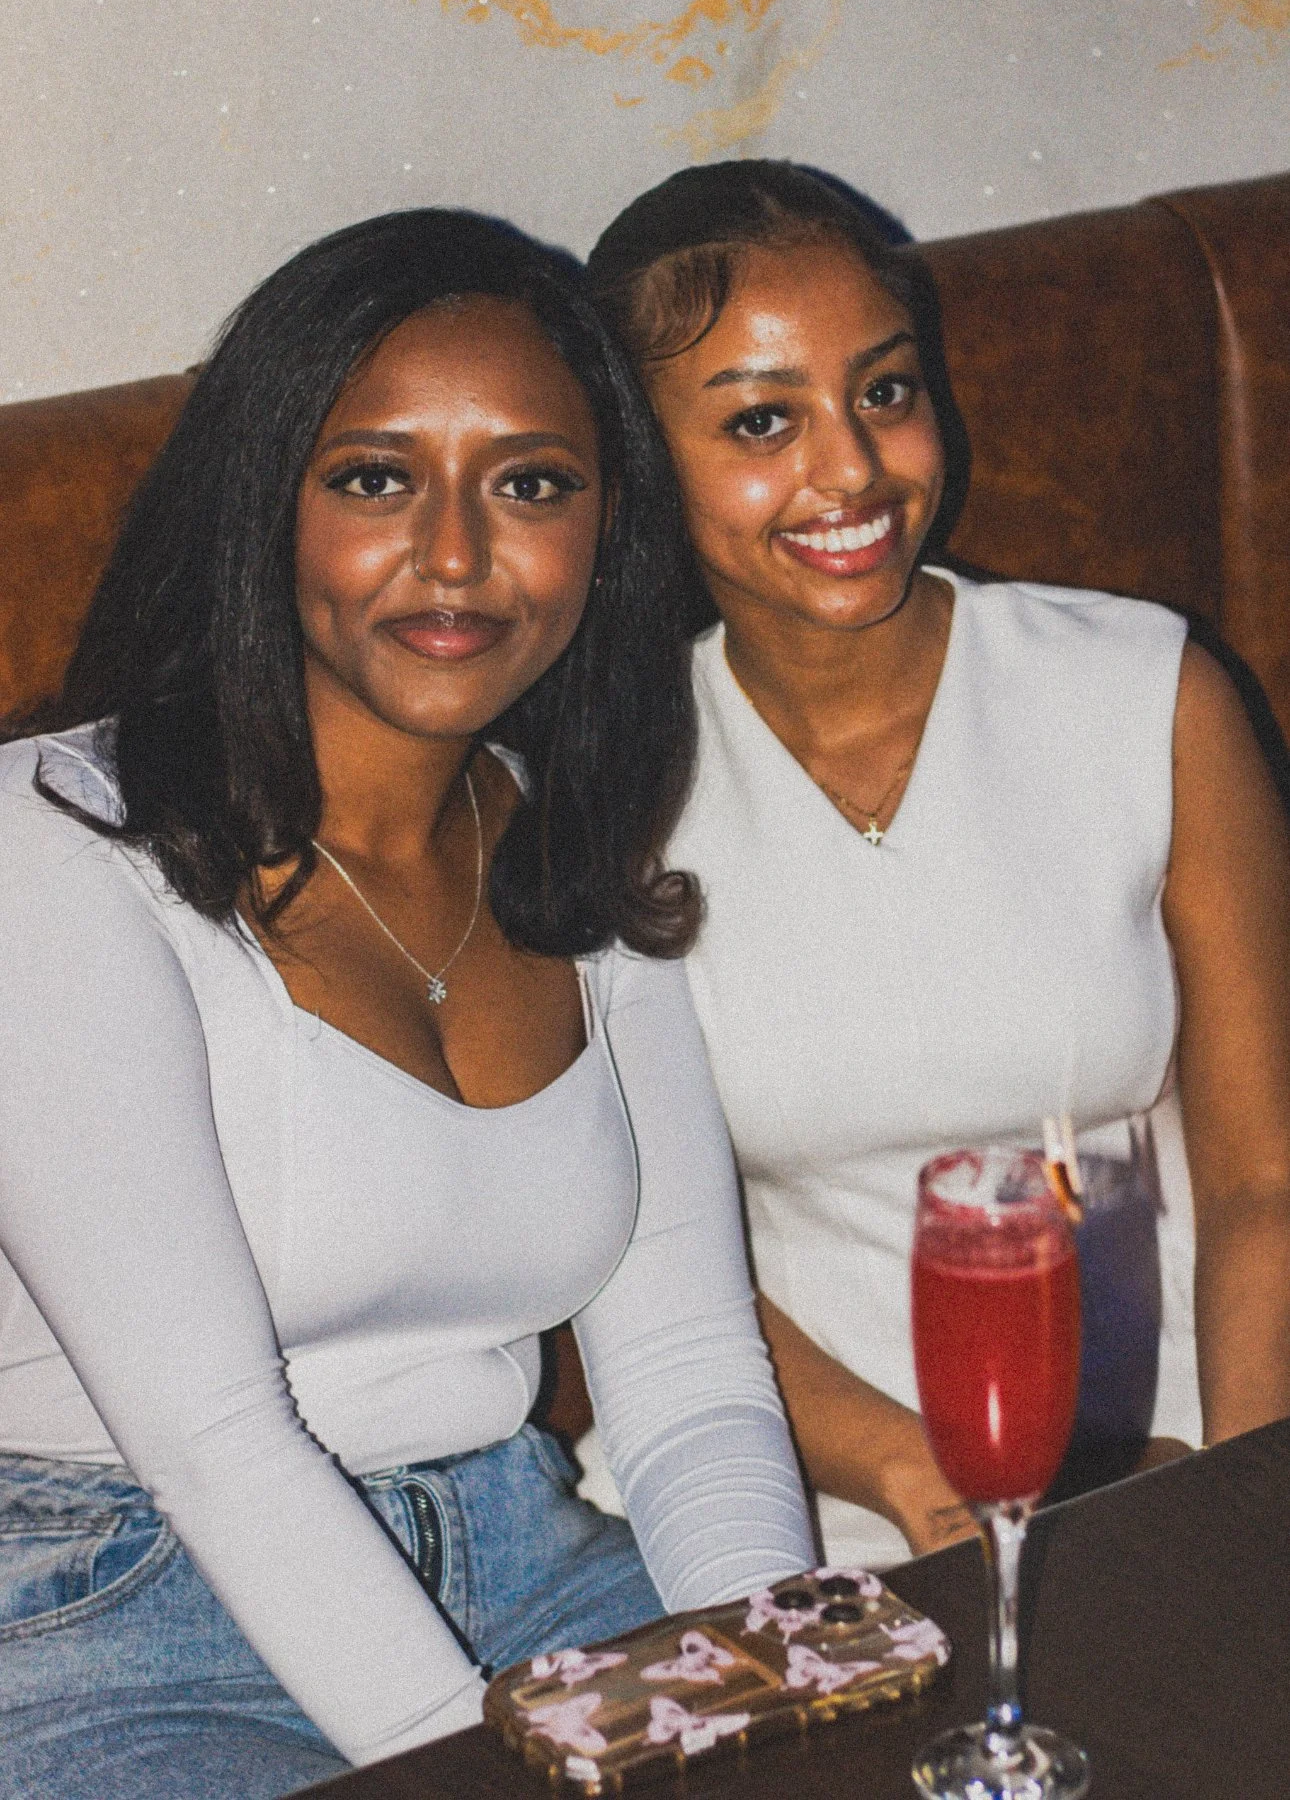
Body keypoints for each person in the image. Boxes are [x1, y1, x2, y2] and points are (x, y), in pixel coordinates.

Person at [0, 208, 816, 1799]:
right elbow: (213, 1440)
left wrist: (782, 1686)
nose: (456, 555)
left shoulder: (574, 839)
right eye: (375, 478)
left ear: (601, 530)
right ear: (268, 508)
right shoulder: (47, 851)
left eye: (530, 484)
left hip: (526, 1556)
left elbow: (693, 1380)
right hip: (119, 1611)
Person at [584, 160, 1290, 1569]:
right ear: (641, 460)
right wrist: (915, 1478)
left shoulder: (1146, 693)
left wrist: (1233, 1508)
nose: (849, 468)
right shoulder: (604, 794)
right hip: (799, 1488)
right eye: (760, 421)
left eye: (886, 393)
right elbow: (631, 1270)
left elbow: (1261, 1174)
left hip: (1187, 1444)